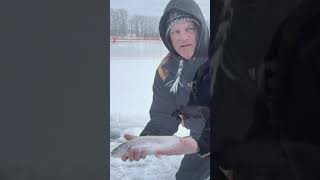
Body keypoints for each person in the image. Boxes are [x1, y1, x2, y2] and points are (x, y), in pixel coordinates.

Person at [121, 0, 210, 179]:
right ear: (168, 37)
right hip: (197, 135)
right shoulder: (166, 71)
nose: (182, 37)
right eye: (175, 31)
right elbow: (164, 116)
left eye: (189, 29)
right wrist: (145, 141)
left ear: (200, 30)